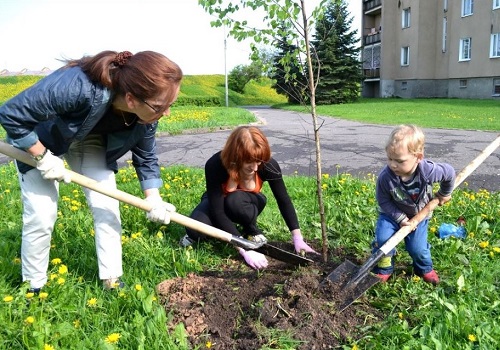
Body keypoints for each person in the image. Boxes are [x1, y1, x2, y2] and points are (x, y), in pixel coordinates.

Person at [0, 50, 182, 291]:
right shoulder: (79, 85)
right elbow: (11, 114)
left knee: (107, 205)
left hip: (89, 138)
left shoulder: (148, 113)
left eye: (169, 104)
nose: (166, 112)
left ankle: (112, 281)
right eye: (161, 106)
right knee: (41, 213)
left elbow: (146, 155)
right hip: (40, 137)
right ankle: (33, 287)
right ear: (131, 99)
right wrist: (42, 157)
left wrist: (154, 199)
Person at [180, 126, 317, 269]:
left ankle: (250, 229)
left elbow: (283, 200)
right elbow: (217, 211)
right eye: (249, 163)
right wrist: (244, 248)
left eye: (258, 161)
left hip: (245, 203)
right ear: (236, 157)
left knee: (235, 201)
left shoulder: (268, 165)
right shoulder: (215, 165)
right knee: (195, 229)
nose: (256, 168)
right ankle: (227, 231)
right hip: (218, 203)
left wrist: (297, 238)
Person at [372, 124, 455, 285]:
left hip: (420, 216)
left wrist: (445, 193)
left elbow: (450, 173)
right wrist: (400, 218)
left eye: (399, 161)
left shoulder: (429, 171)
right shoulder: (386, 177)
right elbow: (383, 201)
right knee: (383, 240)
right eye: (389, 159)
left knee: (418, 248)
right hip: (392, 215)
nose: (393, 165)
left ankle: (424, 268)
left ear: (418, 157)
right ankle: (384, 269)